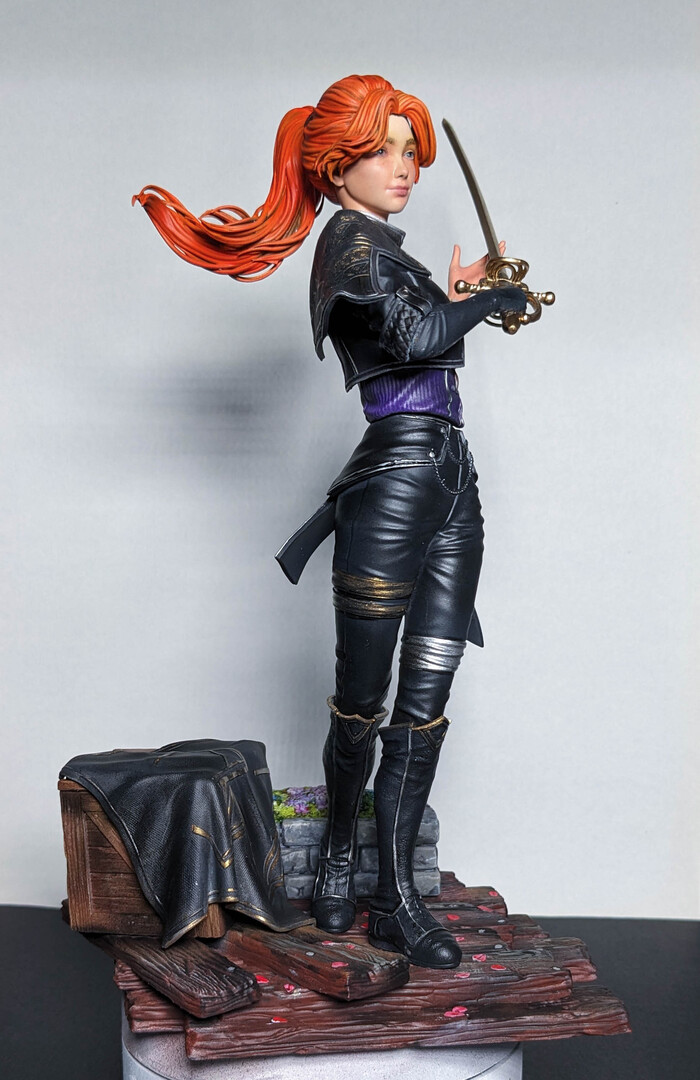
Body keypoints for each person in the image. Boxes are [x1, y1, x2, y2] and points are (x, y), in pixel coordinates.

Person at [133, 74, 526, 969]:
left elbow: (420, 330)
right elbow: (414, 340)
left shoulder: (389, 253)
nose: (405, 167)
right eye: (384, 150)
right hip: (393, 485)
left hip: (452, 483)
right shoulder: (346, 246)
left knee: (426, 700)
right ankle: (340, 862)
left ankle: (393, 898)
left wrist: (456, 294)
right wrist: (483, 304)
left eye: (410, 151)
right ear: (337, 164)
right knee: (362, 700)